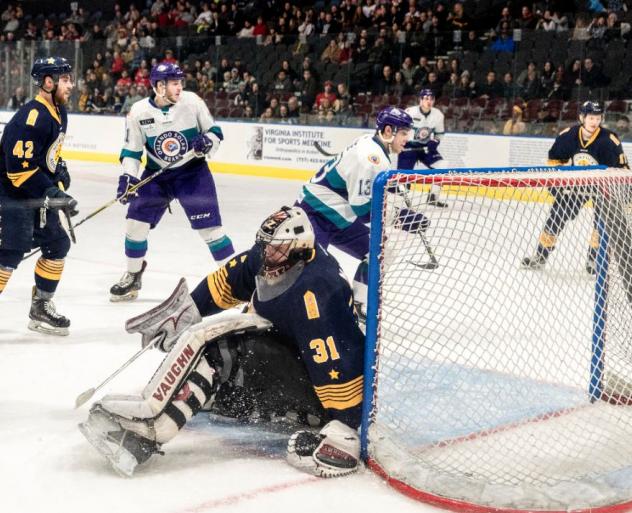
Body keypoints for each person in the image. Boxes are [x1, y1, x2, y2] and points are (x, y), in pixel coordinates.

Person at [79, 206, 364, 479]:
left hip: (319, 396)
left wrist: (343, 427)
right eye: (265, 246)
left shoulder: (318, 294)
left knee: (223, 350)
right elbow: (228, 281)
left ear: (299, 249)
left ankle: (146, 434)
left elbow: (340, 365)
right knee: (214, 344)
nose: (265, 255)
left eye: (274, 249)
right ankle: (188, 399)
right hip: (286, 357)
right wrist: (184, 314)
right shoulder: (276, 258)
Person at [110, 62, 235, 301]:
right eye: (174, 83)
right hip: (158, 176)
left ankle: (236, 279)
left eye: (180, 82)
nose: (179, 87)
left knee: (211, 230)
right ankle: (133, 275)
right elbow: (132, 151)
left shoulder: (192, 102)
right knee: (135, 224)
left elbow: (215, 132)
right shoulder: (138, 112)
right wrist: (128, 177)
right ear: (159, 86)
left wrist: (207, 142)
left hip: (193, 173)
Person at [296, 106, 423, 314]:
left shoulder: (372, 143)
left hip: (338, 216)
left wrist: (387, 185)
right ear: (388, 131)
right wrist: (401, 217)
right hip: (315, 213)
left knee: (381, 252)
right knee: (309, 273)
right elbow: (363, 211)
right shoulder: (371, 159)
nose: (406, 139)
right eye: (403, 133)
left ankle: (360, 304)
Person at [0, 57, 77, 335]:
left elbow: (47, 152)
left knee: (57, 245)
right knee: (9, 252)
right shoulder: (30, 118)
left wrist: (59, 168)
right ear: (48, 81)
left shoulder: (59, 111)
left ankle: (40, 308)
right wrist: (52, 191)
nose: (71, 84)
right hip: (11, 193)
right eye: (65, 79)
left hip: (35, 193)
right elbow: (18, 172)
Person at [522, 101, 629, 274]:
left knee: (601, 223)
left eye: (598, 118)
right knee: (556, 216)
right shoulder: (568, 136)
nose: (595, 122)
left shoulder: (609, 141)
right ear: (582, 118)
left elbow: (622, 170)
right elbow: (554, 162)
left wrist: (618, 192)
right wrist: (557, 185)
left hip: (603, 187)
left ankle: (594, 259)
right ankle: (541, 255)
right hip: (575, 185)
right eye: (591, 118)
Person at [399, 89, 449, 207]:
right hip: (409, 147)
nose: (429, 101)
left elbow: (439, 134)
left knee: (442, 165)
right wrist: (401, 143)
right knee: (403, 176)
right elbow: (401, 130)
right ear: (420, 100)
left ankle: (433, 197)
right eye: (426, 98)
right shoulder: (410, 112)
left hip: (426, 147)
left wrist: (435, 141)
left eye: (431, 99)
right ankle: (402, 203)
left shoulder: (438, 115)